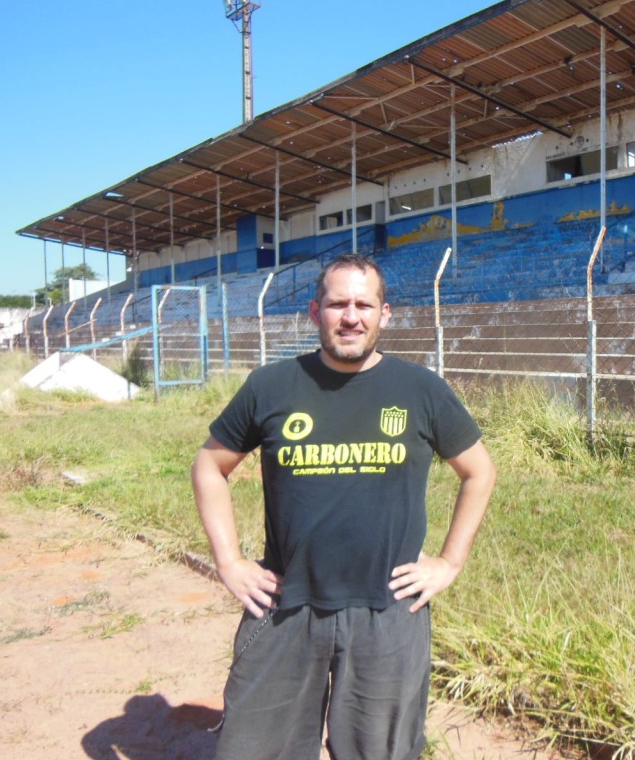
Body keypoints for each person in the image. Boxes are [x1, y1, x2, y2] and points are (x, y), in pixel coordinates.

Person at [191, 253, 495, 760]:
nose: (350, 316)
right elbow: (210, 466)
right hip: (286, 602)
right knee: (253, 748)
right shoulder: (271, 386)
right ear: (315, 312)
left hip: (388, 611)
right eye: (337, 304)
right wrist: (229, 562)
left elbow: (479, 471)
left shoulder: (420, 390)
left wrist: (449, 563)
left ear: (385, 313)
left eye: (363, 304)